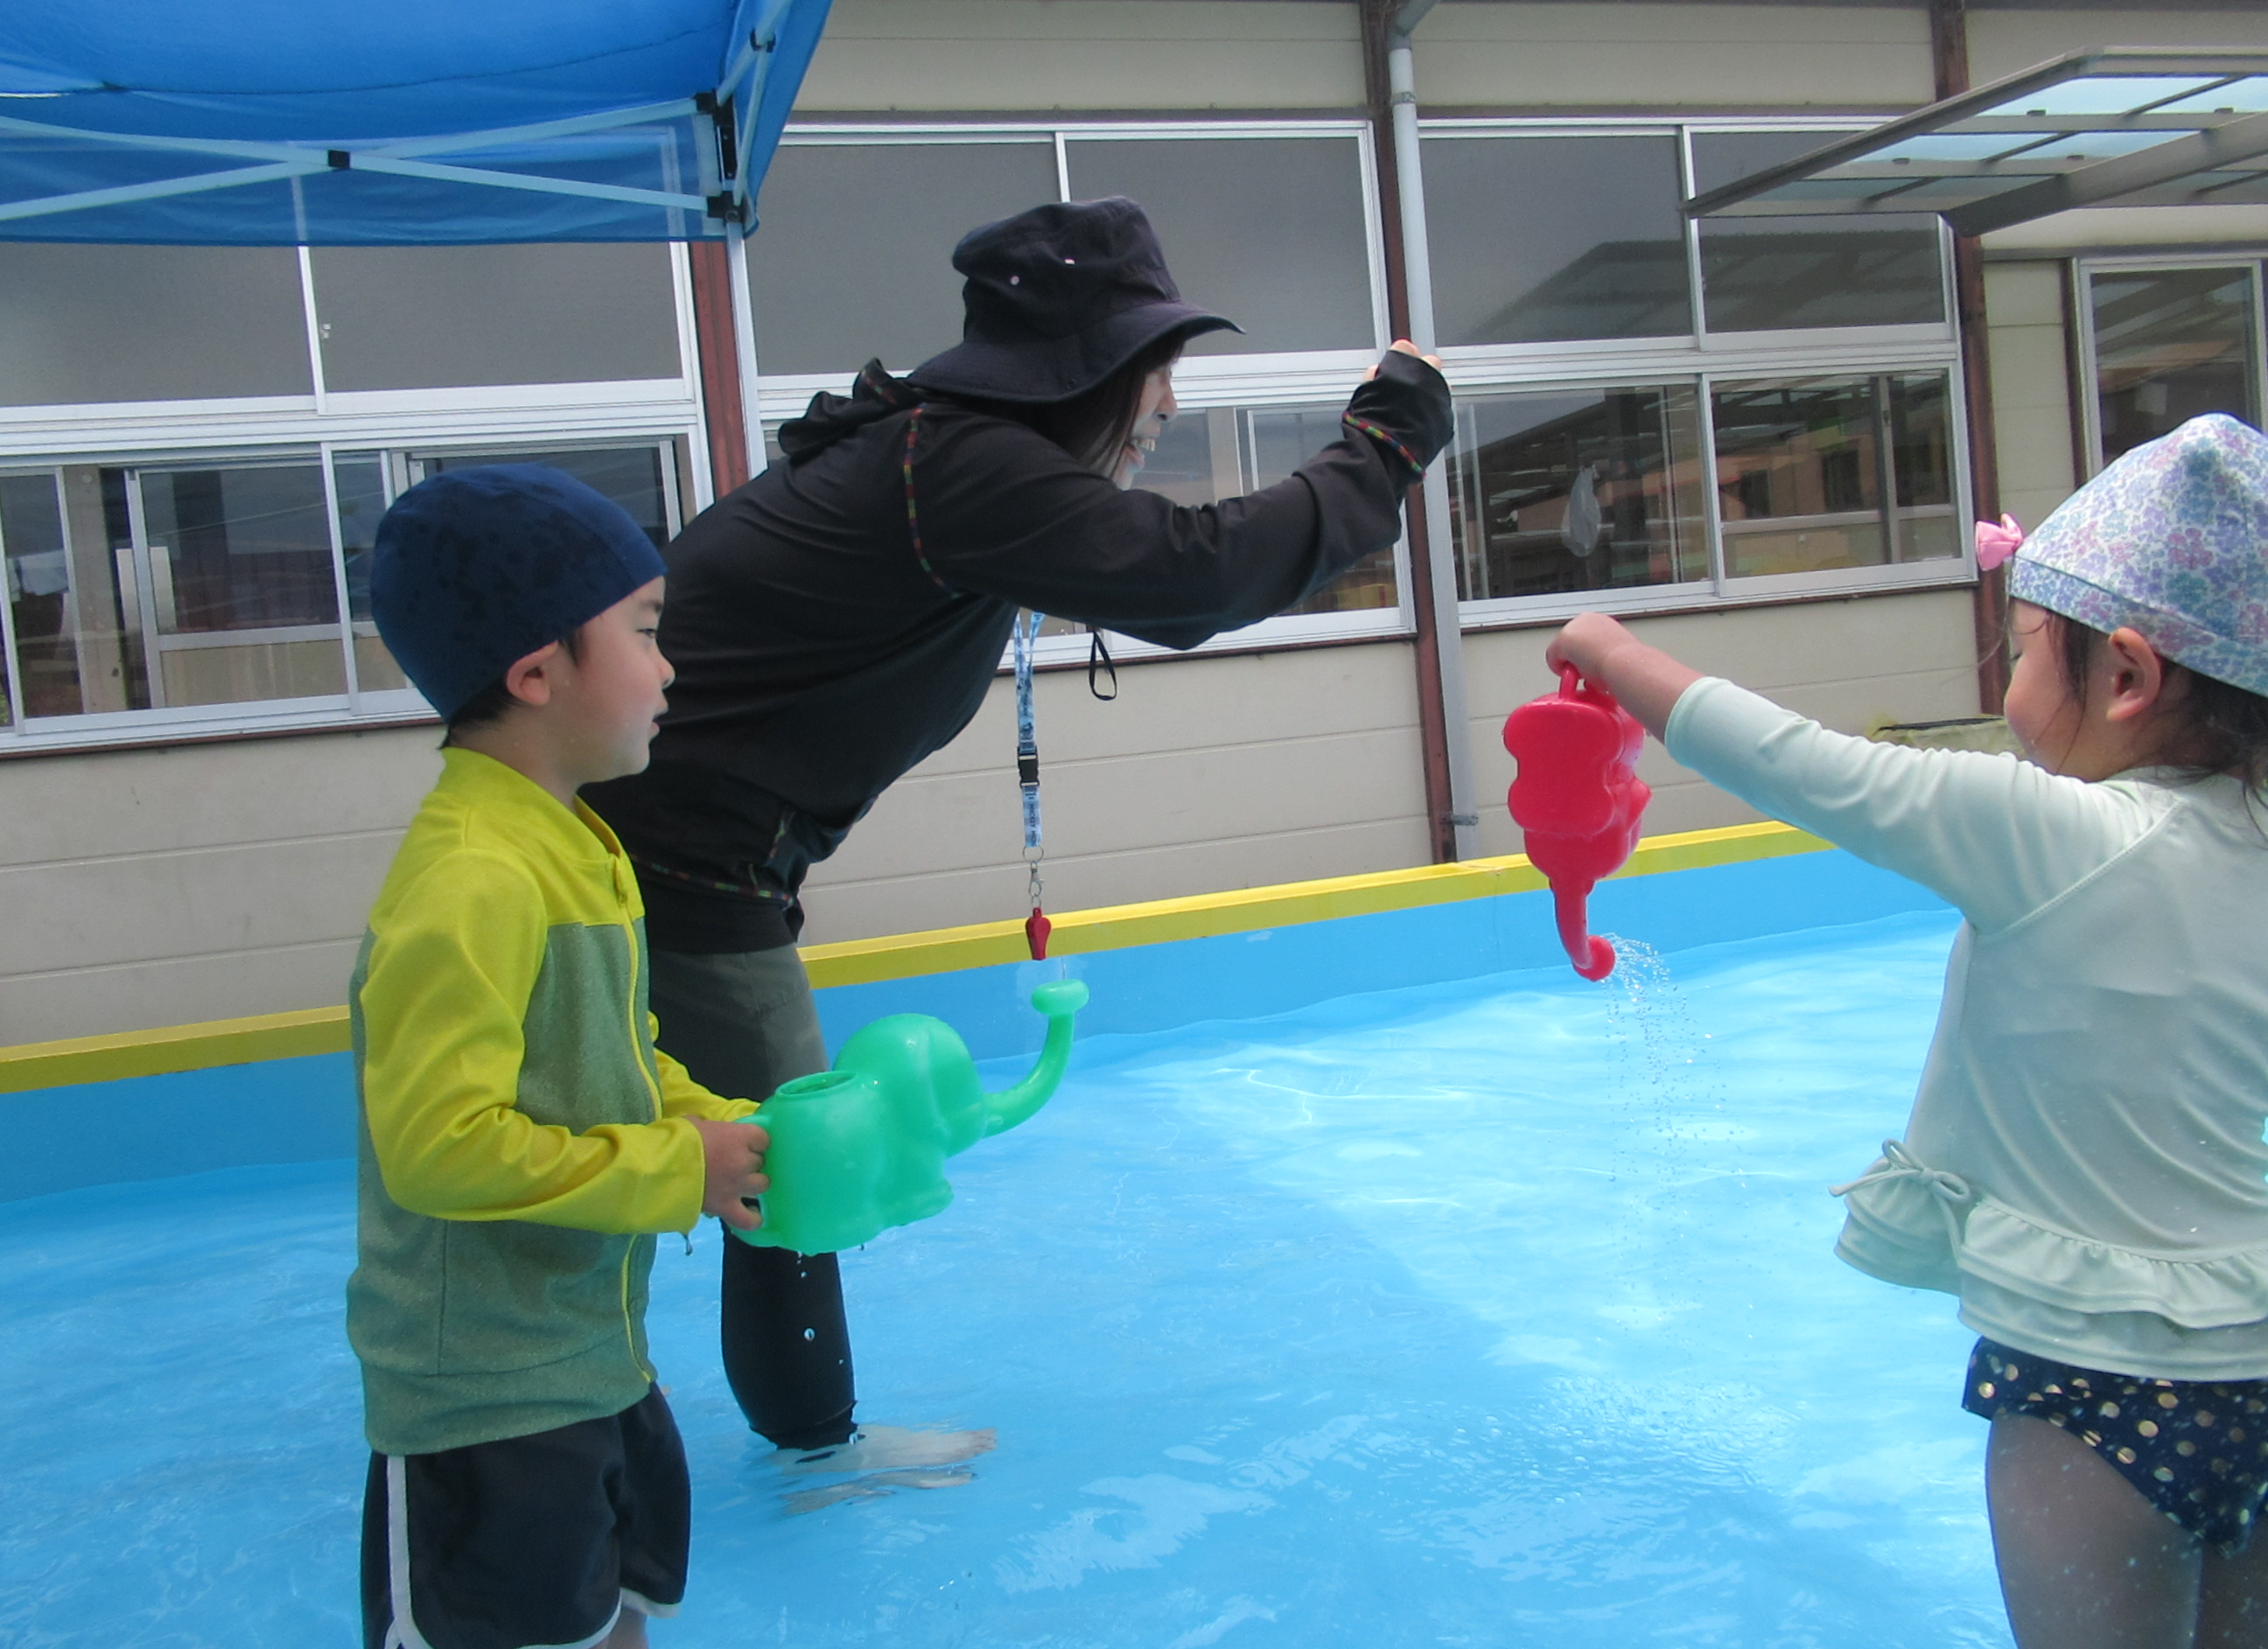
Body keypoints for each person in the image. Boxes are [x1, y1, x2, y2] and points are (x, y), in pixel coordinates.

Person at [584, 196, 1454, 1460]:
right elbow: (1199, 573)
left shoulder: (938, 461)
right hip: (670, 861)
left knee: (700, 1147)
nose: (1168, 405)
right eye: (1159, 370)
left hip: (659, 847)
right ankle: (816, 1457)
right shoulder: (959, 469)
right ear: (1092, 370)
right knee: (797, 1156)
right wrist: (1385, 444)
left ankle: (628, 1431)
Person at [1544, 413, 2268, 1647]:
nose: (2010, 687)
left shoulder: (2054, 835)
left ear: (2129, 678)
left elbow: (1808, 767)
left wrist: (1611, 653)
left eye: (2025, 651)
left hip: (2096, 1386)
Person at [348, 465, 771, 1649]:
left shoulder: (572, 844)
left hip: (592, 1359)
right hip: (482, 1402)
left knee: (616, 1619)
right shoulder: (471, 877)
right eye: (645, 631)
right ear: (538, 673)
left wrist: (729, 1132)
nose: (669, 668)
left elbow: (617, 1057)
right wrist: (674, 1171)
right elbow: (440, 1150)